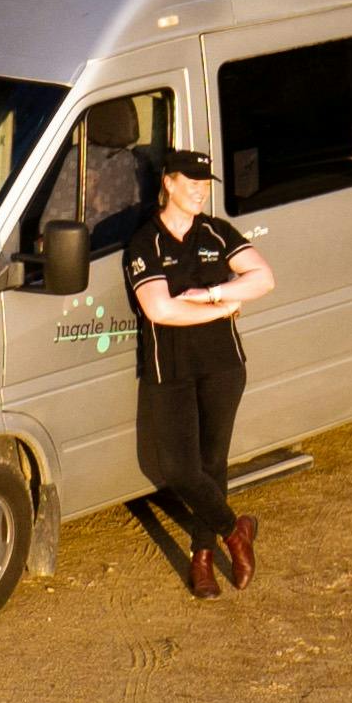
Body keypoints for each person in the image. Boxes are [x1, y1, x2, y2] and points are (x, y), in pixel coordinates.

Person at [126, 144, 272, 597]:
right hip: (168, 368)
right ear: (167, 182)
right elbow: (159, 310)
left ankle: (203, 558)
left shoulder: (216, 232)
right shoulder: (143, 242)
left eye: (205, 183)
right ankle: (236, 530)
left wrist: (208, 296)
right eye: (190, 182)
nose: (200, 191)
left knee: (213, 464)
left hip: (223, 365)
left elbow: (263, 279)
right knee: (179, 469)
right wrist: (224, 307)